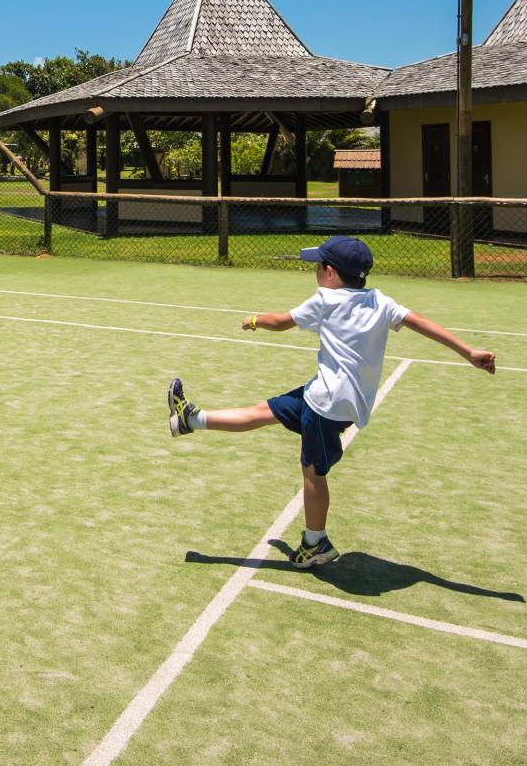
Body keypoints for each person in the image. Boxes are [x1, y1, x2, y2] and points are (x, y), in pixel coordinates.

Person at [165, 235, 495, 568]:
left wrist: (254, 320)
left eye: (319, 266)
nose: (316, 271)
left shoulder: (325, 299)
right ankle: (191, 419)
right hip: (323, 398)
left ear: (331, 273)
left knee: (313, 473)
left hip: (326, 406)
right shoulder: (380, 301)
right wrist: (467, 351)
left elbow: (281, 322)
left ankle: (315, 542)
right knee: (265, 411)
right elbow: (420, 321)